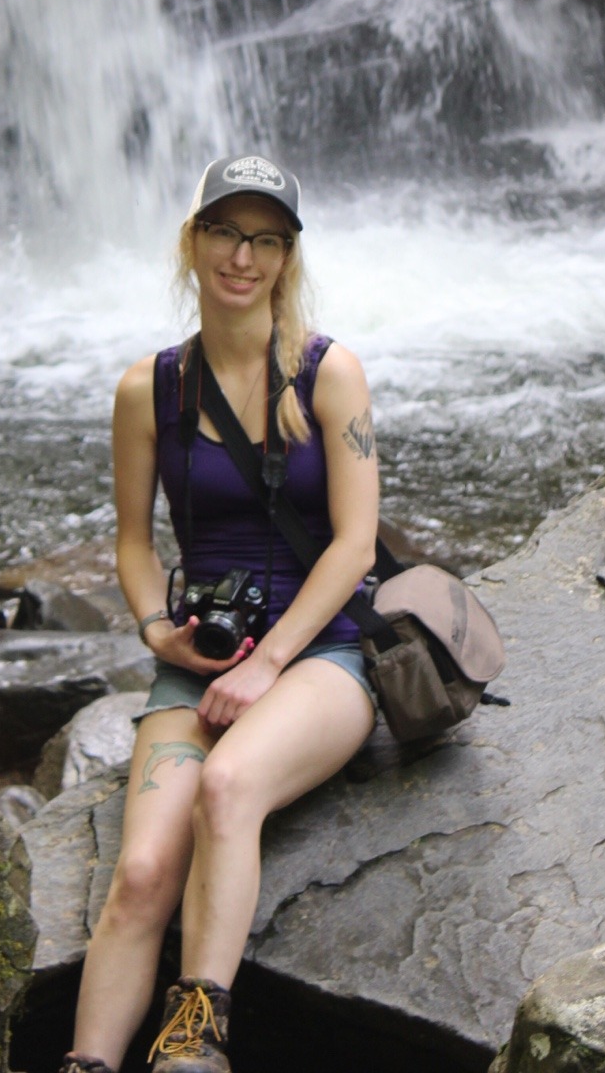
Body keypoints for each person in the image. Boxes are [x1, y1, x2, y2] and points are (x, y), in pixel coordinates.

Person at [61, 153, 379, 1073]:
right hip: (197, 656)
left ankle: (194, 1039)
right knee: (142, 872)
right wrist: (154, 629)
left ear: (286, 258)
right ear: (193, 240)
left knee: (227, 789)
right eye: (225, 232)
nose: (242, 256)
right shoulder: (147, 390)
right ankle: (85, 1063)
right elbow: (132, 541)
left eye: (265, 240)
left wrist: (267, 664)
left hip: (322, 652)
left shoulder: (330, 375)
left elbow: (354, 545)